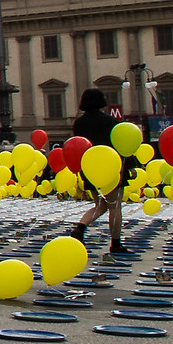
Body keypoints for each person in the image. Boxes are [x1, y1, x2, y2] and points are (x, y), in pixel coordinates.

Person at [65, 89, 131, 255]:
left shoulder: (79, 123)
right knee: (115, 207)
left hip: (89, 168)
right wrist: (130, 167)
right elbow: (122, 145)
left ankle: (80, 227)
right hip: (111, 168)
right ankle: (115, 243)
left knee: (100, 205)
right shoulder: (111, 121)